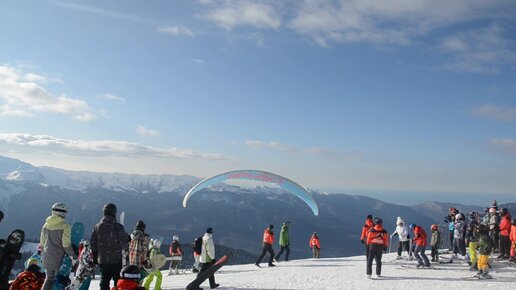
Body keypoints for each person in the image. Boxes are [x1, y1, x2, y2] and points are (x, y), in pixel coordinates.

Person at [91, 203, 129, 290]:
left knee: (104, 280)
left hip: (103, 260)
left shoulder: (97, 227)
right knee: (117, 281)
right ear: (114, 213)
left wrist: (95, 257)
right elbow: (124, 244)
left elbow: (93, 243)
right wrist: (128, 238)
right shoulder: (118, 227)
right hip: (117, 260)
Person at [40, 202, 75, 290]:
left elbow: (42, 243)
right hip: (58, 258)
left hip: (47, 257)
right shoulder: (65, 226)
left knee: (49, 279)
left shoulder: (46, 224)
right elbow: (66, 244)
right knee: (60, 280)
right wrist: (72, 255)